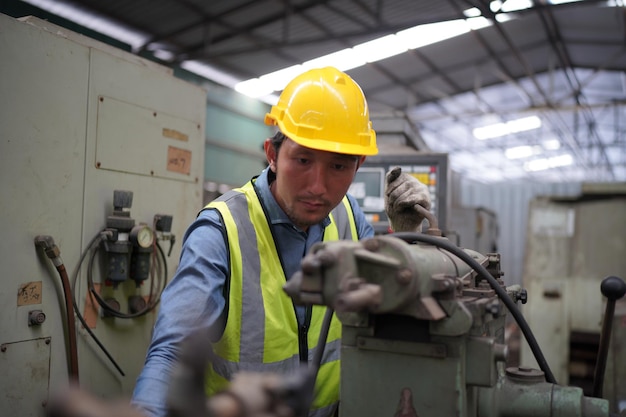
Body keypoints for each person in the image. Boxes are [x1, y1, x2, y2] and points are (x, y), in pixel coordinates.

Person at [131, 66, 431, 417]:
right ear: (272, 154)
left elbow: (392, 303)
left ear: (359, 164)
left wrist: (405, 236)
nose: (318, 186)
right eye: (303, 160)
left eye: (338, 167)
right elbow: (171, 355)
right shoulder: (221, 231)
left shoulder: (350, 216)